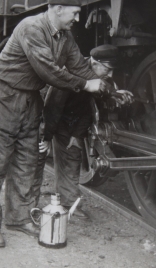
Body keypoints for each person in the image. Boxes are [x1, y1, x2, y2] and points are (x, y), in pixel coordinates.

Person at [0, 0, 108, 248]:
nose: (77, 19)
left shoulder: (65, 36)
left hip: (30, 97)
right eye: (75, 13)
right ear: (58, 9)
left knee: (28, 158)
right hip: (3, 93)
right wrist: (85, 85)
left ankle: (19, 217)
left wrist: (105, 85)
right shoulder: (31, 27)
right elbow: (48, 71)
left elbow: (80, 67)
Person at [37, 45, 133, 218]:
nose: (110, 75)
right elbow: (53, 106)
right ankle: (40, 205)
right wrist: (47, 136)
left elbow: (91, 105)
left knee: (72, 158)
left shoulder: (95, 73)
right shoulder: (71, 72)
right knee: (45, 159)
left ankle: (68, 203)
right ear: (94, 63)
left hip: (77, 121)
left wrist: (115, 94)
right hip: (58, 120)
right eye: (108, 69)